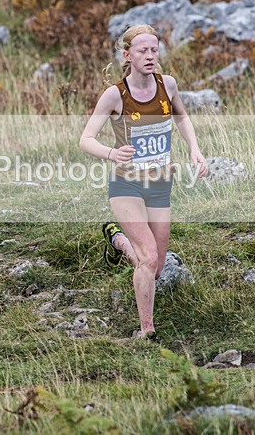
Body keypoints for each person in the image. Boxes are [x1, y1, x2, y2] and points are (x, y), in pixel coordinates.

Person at [79, 24, 208, 339]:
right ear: (127, 55)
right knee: (148, 257)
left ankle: (118, 241)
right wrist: (112, 153)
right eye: (142, 50)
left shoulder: (169, 85)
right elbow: (85, 139)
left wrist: (195, 149)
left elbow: (182, 118)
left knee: (156, 267)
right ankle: (146, 331)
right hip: (127, 187)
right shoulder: (114, 94)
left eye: (154, 50)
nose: (150, 56)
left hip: (161, 184)